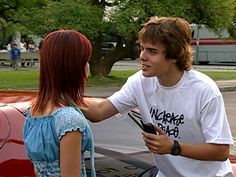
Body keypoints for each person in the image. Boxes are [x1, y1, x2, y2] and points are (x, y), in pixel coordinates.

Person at [83, 16, 234, 177]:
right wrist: (61, 95)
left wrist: (173, 147)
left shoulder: (204, 90)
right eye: (142, 48)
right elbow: (98, 112)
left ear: (175, 54)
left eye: (152, 51)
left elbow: (221, 151)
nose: (142, 56)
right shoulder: (139, 83)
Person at [23, 29, 96, 177]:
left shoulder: (33, 110)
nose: (88, 65)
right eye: (85, 60)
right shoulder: (69, 119)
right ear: (73, 66)